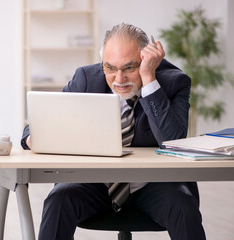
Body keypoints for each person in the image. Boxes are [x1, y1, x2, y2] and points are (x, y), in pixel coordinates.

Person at [21, 23, 206, 240]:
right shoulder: (86, 80)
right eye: (110, 68)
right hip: (95, 184)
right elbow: (37, 124)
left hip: (154, 185)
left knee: (183, 205)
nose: (119, 79)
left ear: (147, 61)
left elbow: (172, 140)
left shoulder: (174, 82)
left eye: (129, 67)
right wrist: (36, 137)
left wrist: (148, 79)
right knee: (59, 200)